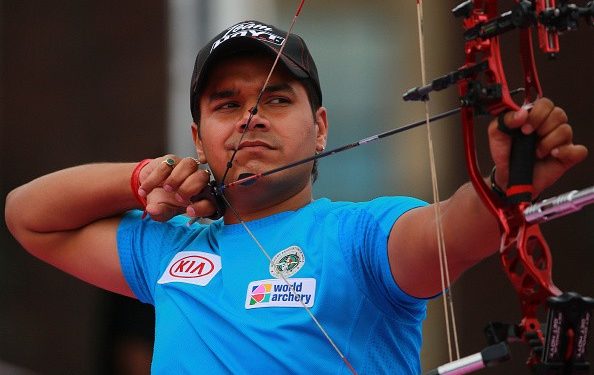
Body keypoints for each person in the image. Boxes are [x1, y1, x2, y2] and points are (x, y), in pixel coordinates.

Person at [4, 20, 588, 374]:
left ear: (323, 126)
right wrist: (144, 179)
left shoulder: (360, 237)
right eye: (226, 105)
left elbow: (456, 230)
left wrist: (503, 184)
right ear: (198, 139)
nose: (251, 116)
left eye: (277, 99)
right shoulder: (169, 252)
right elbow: (29, 217)